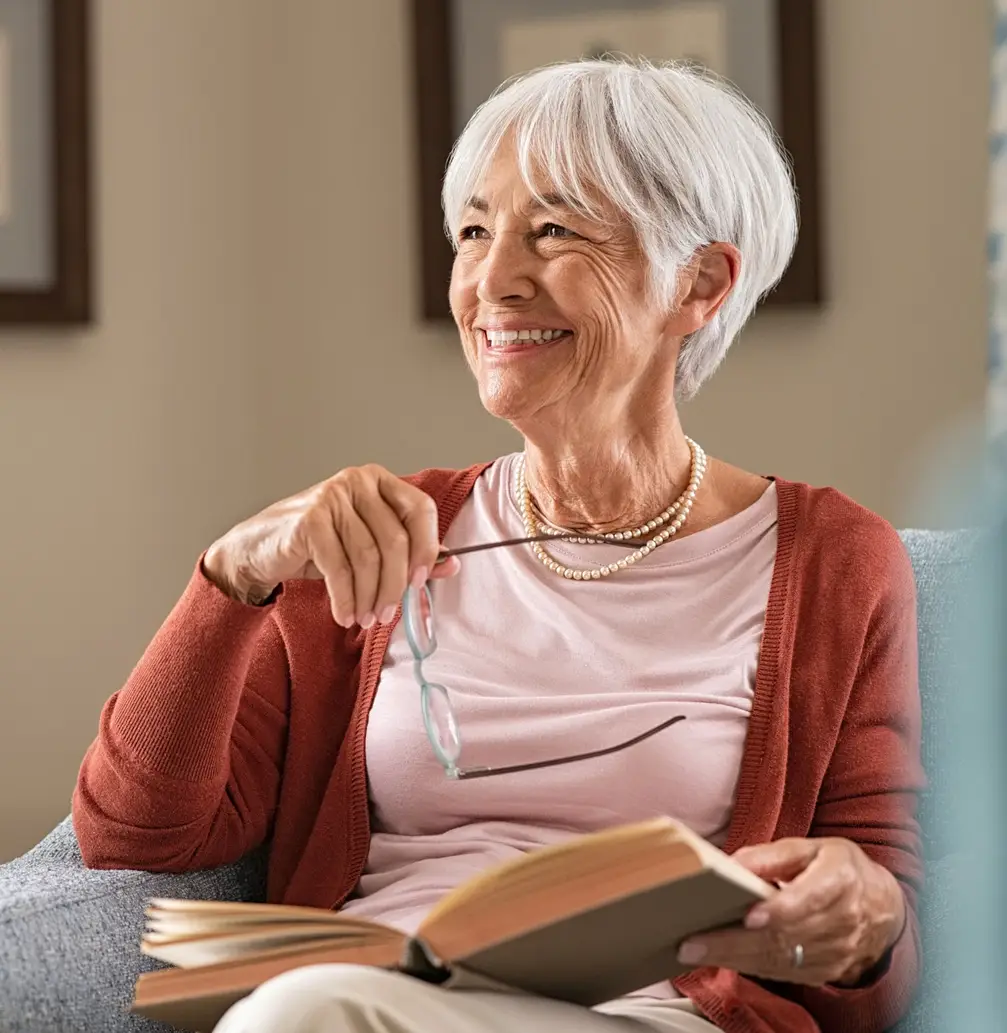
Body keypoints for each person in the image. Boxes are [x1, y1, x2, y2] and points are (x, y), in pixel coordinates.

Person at [73, 58, 923, 1033]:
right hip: (379, 996)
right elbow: (133, 832)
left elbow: (880, 948)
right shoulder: (377, 538)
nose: (492, 280)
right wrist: (233, 577)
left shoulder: (831, 561)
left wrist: (868, 917)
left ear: (699, 282)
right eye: (473, 231)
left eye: (552, 231)